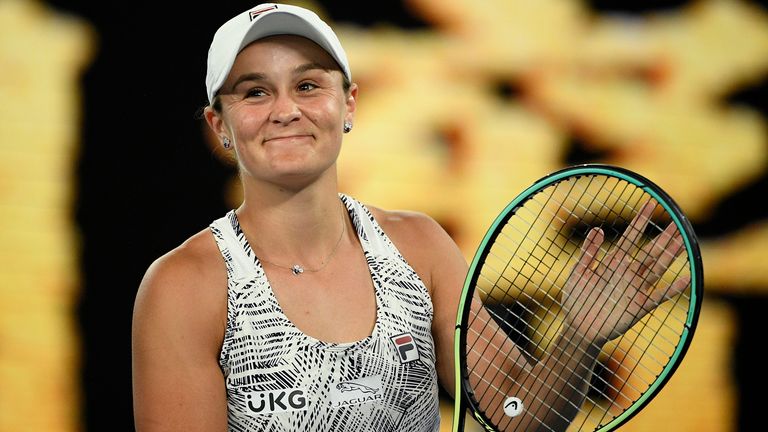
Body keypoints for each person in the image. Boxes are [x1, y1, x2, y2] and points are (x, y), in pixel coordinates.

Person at [131, 3, 689, 431]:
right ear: (219, 124)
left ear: (347, 104)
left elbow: (518, 416)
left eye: (307, 85)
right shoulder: (185, 287)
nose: (285, 110)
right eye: (255, 92)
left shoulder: (418, 247)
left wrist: (577, 340)